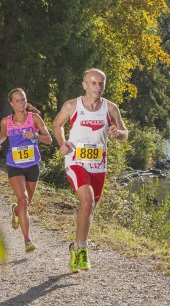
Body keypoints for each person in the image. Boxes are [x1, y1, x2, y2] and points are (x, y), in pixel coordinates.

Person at [52, 68, 128, 272]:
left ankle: (76, 246)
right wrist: (63, 142)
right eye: (93, 83)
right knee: (87, 200)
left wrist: (117, 133)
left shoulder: (110, 108)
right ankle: (84, 250)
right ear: (84, 85)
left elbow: (125, 134)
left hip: (98, 166)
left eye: (101, 83)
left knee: (89, 207)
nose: (97, 87)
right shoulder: (72, 105)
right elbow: (57, 124)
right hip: (75, 161)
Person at [0, 88, 53, 253]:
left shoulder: (34, 118)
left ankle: (16, 211)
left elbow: (48, 139)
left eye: (23, 99)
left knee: (25, 204)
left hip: (32, 166)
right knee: (24, 199)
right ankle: (27, 240)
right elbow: (2, 135)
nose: (21, 103)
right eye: (17, 100)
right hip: (15, 165)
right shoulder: (6, 121)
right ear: (11, 103)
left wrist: (34, 136)